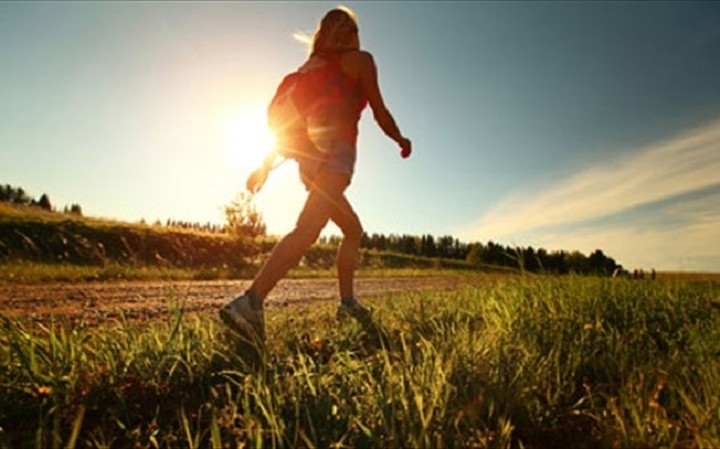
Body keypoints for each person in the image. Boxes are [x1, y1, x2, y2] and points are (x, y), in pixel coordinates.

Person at [220, 7, 412, 342]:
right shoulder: (360, 60)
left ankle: (347, 303)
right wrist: (400, 139)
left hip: (308, 164)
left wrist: (263, 167)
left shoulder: (306, 71)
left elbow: (288, 126)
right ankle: (250, 302)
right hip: (335, 158)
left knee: (352, 229)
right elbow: (380, 112)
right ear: (349, 33)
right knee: (308, 229)